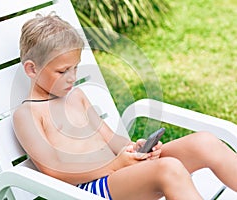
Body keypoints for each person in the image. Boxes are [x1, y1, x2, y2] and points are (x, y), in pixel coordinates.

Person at [13, 13, 237, 200]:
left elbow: (111, 139)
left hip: (119, 173)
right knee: (169, 168)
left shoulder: (76, 96)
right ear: (32, 70)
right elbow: (53, 170)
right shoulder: (28, 114)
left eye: (75, 67)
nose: (72, 77)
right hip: (89, 188)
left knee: (203, 142)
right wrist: (115, 166)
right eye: (63, 71)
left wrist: (136, 150)